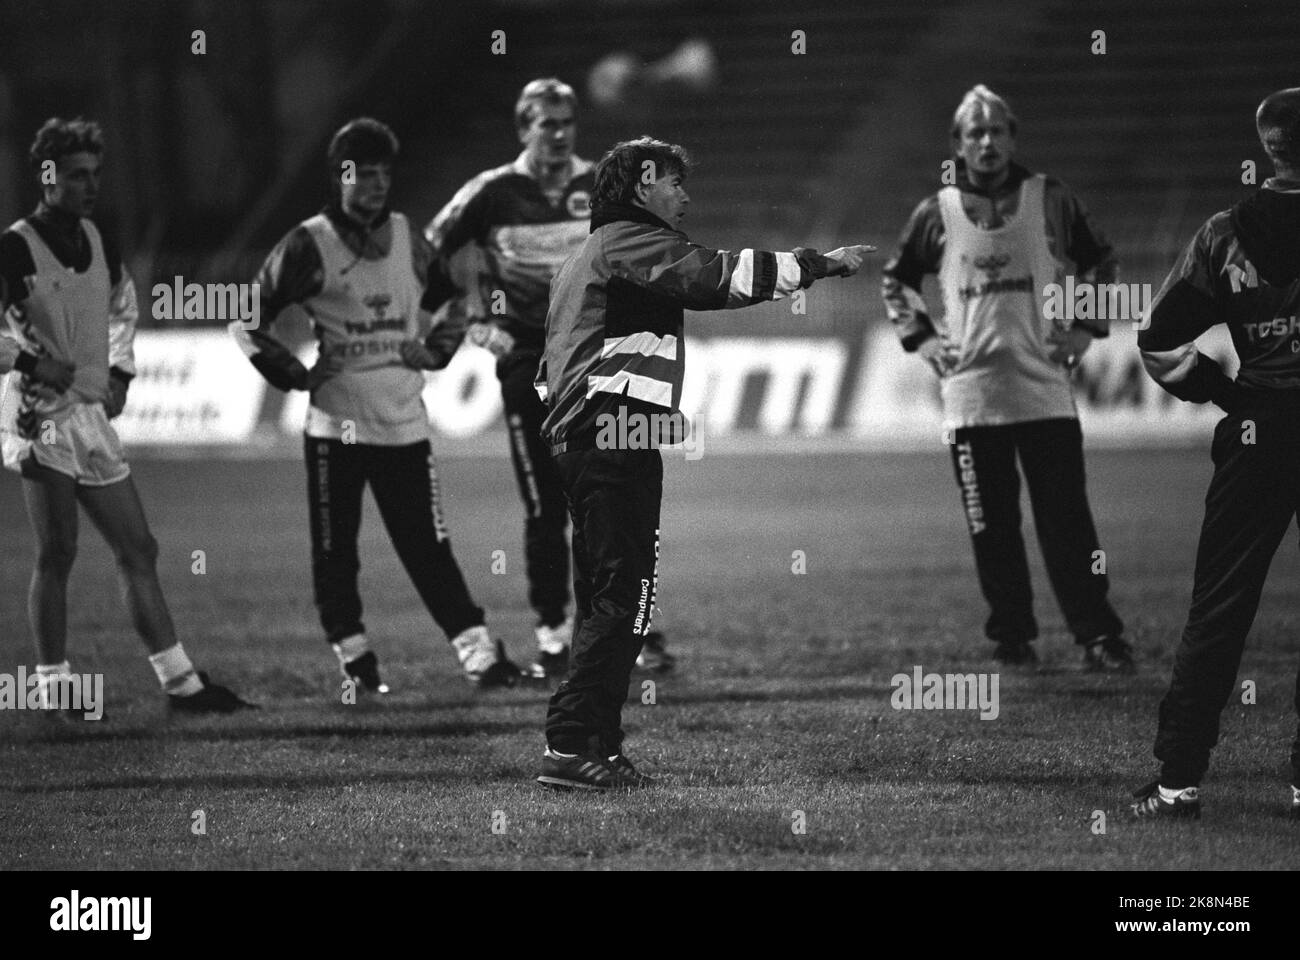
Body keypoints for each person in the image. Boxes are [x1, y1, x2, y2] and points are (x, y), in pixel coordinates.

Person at [534, 135, 870, 790]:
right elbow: (717, 277)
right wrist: (818, 263)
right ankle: (571, 741)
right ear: (642, 183)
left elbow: (549, 368)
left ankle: (595, 742)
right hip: (615, 431)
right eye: (675, 184)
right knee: (626, 597)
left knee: (601, 595)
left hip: (582, 439)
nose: (685, 197)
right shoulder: (628, 240)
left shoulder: (581, 256)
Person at [232, 118, 520, 693]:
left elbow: (452, 304)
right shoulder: (308, 244)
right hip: (336, 428)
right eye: (365, 174)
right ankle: (356, 660)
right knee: (338, 551)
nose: (377, 184)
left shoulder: (409, 237)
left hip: (405, 424)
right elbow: (247, 318)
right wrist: (298, 374)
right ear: (340, 176)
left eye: (385, 173)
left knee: (429, 547)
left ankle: (479, 657)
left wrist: (434, 350)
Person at [424, 78, 674, 681]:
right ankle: (553, 633)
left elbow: (641, 253)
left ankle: (617, 626)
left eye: (567, 122)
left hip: (595, 360)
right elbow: (428, 254)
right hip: (524, 360)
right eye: (547, 124)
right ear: (523, 128)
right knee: (545, 504)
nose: (559, 134)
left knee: (608, 499)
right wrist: (474, 321)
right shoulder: (489, 194)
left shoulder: (603, 186)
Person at [0, 117, 252, 715]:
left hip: (90, 415)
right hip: (41, 417)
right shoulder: (15, 246)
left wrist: (121, 372)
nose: (91, 186)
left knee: (139, 548)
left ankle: (181, 684)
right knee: (58, 552)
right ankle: (56, 690)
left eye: (95, 175)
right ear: (48, 176)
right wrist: (32, 364)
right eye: (78, 175)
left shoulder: (98, 237)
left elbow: (122, 307)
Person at [880, 84, 1132, 671]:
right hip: (971, 399)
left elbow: (1103, 260)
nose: (987, 142)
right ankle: (1013, 636)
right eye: (975, 133)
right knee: (991, 526)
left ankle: (1097, 635)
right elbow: (895, 280)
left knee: (1067, 523)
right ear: (958, 145)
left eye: (996, 131)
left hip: (1044, 391)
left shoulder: (1051, 198)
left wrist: (1085, 327)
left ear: (1013, 138)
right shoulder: (934, 212)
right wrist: (923, 340)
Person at [1131, 87, 1300, 821]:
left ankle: (1177, 782)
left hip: (1261, 433)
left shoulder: (1225, 233)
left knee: (1220, 606)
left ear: (1268, 149)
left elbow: (1158, 342)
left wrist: (1232, 397)